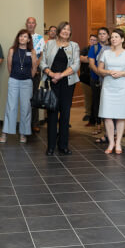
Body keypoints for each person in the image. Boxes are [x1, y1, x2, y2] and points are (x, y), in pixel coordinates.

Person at [40, 22, 80, 155]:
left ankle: (63, 145)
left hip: (67, 83)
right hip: (52, 83)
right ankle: (50, 146)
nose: (66, 31)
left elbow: (76, 65)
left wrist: (60, 75)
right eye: (63, 29)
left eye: (68, 30)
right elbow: (42, 62)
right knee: (52, 114)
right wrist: (52, 75)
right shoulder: (49, 44)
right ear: (58, 31)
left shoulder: (74, 46)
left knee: (65, 114)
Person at [98, 28, 125, 154]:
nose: (113, 39)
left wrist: (121, 73)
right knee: (108, 116)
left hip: (122, 87)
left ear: (122, 39)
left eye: (116, 37)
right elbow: (100, 70)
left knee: (120, 116)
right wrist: (109, 71)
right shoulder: (106, 53)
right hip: (108, 86)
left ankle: (118, 143)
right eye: (112, 37)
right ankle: (111, 143)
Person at [0, 29, 38, 144]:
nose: (22, 38)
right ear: (18, 38)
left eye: (25, 36)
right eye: (20, 36)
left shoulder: (32, 51)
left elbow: (34, 68)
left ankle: (23, 133)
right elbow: (9, 66)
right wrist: (15, 76)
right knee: (11, 107)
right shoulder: (12, 50)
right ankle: (5, 132)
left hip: (27, 82)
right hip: (14, 81)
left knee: (25, 108)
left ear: (28, 39)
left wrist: (28, 78)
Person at [89, 27, 110, 138]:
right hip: (96, 79)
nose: (102, 36)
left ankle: (109, 126)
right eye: (100, 34)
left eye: (104, 33)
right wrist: (99, 73)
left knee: (107, 102)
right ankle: (98, 125)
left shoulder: (112, 47)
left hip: (108, 79)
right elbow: (91, 63)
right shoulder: (94, 47)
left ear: (108, 35)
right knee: (97, 102)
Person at [25, 17, 46, 131]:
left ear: (35, 25)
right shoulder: (23, 36)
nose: (31, 24)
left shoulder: (39, 38)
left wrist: (35, 67)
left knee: (34, 98)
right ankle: (25, 123)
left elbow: (42, 55)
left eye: (33, 23)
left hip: (36, 72)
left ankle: (35, 123)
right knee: (24, 99)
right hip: (23, 72)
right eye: (29, 22)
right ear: (26, 24)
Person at [79, 34, 98, 124]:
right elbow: (81, 59)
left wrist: (88, 58)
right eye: (91, 39)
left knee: (96, 97)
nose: (93, 41)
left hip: (96, 77)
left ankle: (95, 115)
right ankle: (88, 114)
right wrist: (91, 58)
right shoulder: (85, 49)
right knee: (87, 97)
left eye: (95, 40)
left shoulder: (99, 49)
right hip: (85, 77)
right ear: (89, 40)